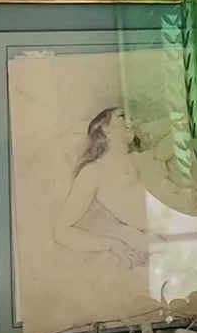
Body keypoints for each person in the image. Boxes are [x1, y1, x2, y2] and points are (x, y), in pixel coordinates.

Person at [52, 107, 151, 269]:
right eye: (122, 116)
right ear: (105, 129)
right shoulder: (93, 172)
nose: (130, 121)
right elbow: (61, 231)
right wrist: (110, 244)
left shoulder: (145, 157)